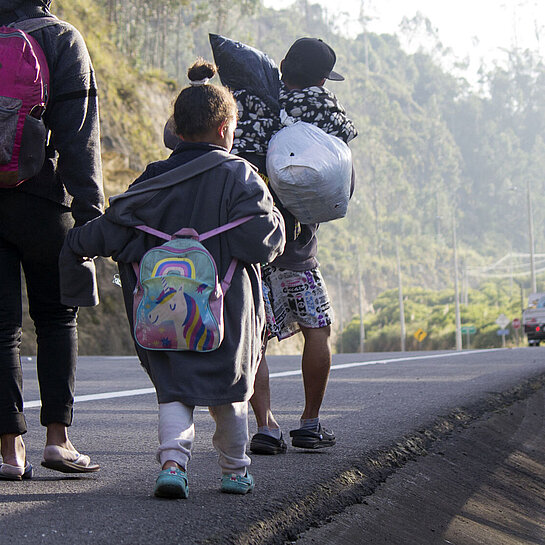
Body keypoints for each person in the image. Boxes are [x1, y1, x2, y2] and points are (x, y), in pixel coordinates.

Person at [59, 60, 286, 498]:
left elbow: (111, 230)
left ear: (177, 131)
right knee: (229, 394)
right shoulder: (240, 177)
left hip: (162, 315)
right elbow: (264, 241)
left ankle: (172, 465)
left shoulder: (152, 181)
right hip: (227, 315)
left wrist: (75, 242)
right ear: (225, 129)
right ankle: (235, 471)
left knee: (174, 392)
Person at [232, 38, 358, 455]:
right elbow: (345, 138)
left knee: (256, 334)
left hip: (250, 230)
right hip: (298, 238)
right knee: (316, 327)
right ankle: (310, 423)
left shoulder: (249, 97)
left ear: (282, 64)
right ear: (322, 76)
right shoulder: (320, 102)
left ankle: (266, 426)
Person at [0, 0, 103, 480]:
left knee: (1, 330)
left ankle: (8, 450)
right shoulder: (61, 38)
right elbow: (78, 137)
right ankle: (57, 442)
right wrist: (90, 218)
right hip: (46, 201)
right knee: (57, 320)